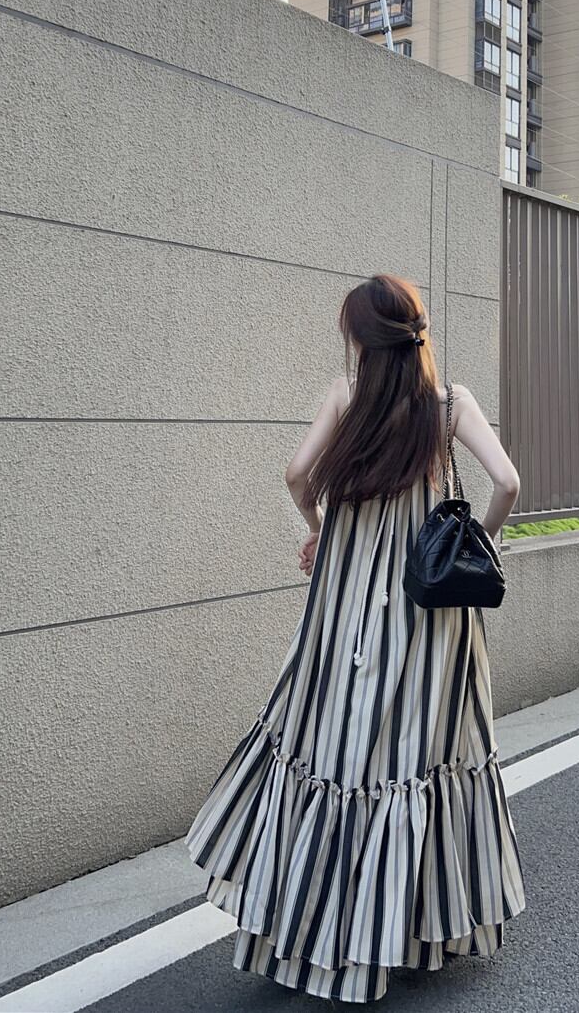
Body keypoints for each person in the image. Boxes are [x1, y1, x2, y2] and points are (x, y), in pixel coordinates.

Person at [184, 273, 527, 1003]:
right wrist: (476, 546)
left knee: (335, 748)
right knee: (422, 755)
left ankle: (318, 930)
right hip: (431, 611)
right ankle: (414, 930)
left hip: (346, 606)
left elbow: (297, 475)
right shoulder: (450, 405)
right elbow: (507, 484)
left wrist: (321, 533)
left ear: (362, 341)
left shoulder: (346, 397)